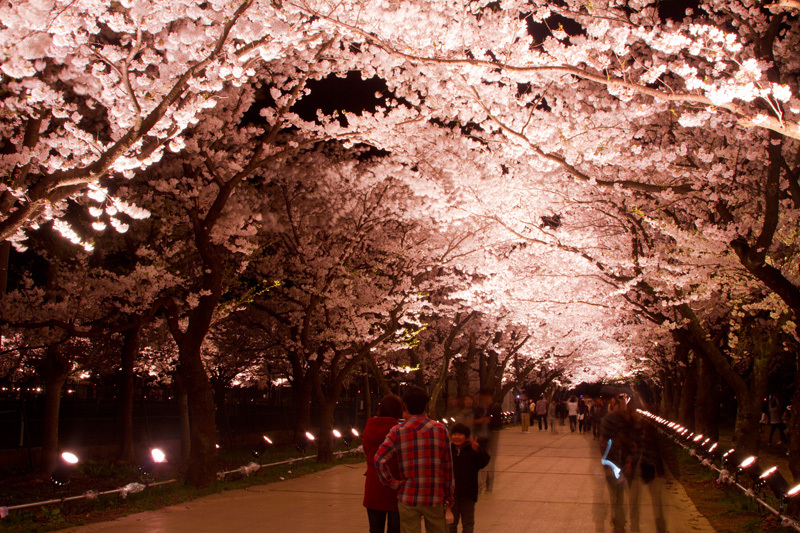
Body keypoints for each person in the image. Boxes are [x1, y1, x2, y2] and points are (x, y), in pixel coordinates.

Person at [375, 386, 454, 533]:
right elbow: (448, 466)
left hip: (408, 495)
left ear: (404, 406)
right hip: (434, 495)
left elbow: (379, 460)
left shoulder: (397, 431)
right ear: (426, 405)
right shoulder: (440, 430)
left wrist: (392, 484)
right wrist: (448, 493)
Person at [363, 395, 404, 533]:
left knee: (375, 529)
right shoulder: (399, 431)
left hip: (373, 486)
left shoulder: (369, 427)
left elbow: (366, 451)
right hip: (395, 487)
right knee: (395, 528)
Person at [448, 423, 490, 533]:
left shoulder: (472, 451)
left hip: (468, 495)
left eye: (460, 434)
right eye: (454, 434)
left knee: (468, 524)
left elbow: (483, 462)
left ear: (466, 438)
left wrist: (478, 450)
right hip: (452, 496)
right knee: (450, 525)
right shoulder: (448, 451)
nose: (456, 437)